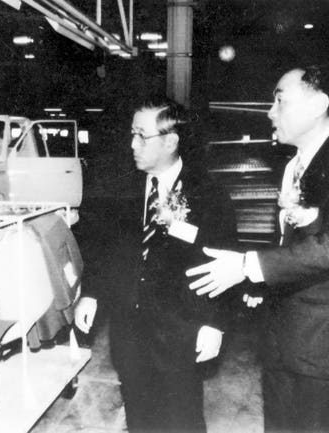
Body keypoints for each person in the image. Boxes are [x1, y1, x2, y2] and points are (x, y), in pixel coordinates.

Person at [184, 65, 329, 432]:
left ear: (318, 104)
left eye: (280, 101)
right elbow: (291, 242)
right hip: (283, 339)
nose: (269, 112)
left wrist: (248, 266)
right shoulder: (294, 164)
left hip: (327, 347)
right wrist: (265, 285)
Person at [74, 97, 237, 432]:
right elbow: (105, 248)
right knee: (139, 415)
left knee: (183, 418)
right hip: (129, 329)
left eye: (142, 136)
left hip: (181, 327)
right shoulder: (123, 188)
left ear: (171, 140)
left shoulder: (208, 192)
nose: (133, 144)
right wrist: (91, 293)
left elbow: (224, 260)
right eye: (132, 134)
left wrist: (215, 325)